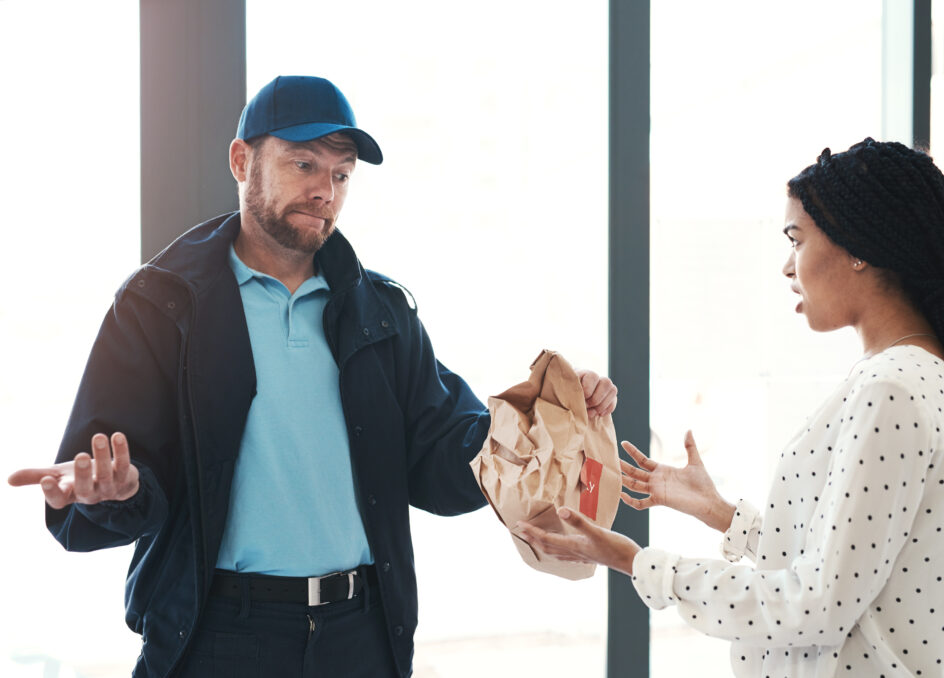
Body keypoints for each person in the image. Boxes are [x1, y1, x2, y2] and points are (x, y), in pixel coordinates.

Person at [7, 75, 618, 678]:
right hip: (217, 639)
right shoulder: (161, 305)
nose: (325, 189)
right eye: (304, 164)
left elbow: (442, 451)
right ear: (241, 160)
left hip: (359, 637)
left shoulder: (379, 311)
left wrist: (551, 416)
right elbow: (117, 474)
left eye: (342, 173)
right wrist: (111, 492)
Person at [517, 138, 944, 677]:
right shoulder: (915, 373)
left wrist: (634, 561)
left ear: (859, 249)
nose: (786, 266)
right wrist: (721, 514)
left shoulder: (891, 388)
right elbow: (849, 569)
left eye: (796, 240)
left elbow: (816, 605)